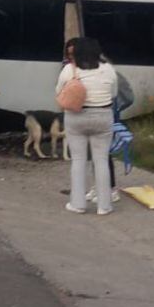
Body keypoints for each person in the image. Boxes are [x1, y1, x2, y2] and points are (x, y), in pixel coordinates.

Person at [57, 37, 116, 216]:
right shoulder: (108, 69)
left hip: (76, 118)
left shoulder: (69, 70)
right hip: (104, 116)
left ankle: (78, 204)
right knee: (101, 160)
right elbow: (113, 94)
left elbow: (59, 92)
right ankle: (104, 205)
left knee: (78, 160)